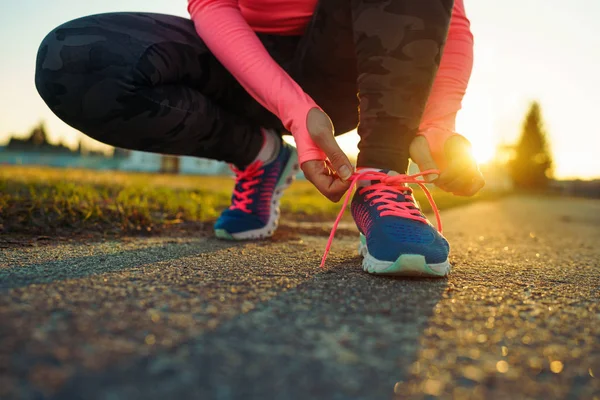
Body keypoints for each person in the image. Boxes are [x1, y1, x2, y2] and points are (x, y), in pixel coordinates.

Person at [35, 0, 484, 278]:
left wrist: (437, 126)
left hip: (346, 74)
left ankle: (381, 178)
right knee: (74, 60)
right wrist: (293, 110)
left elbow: (452, 20)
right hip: (241, 59)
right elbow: (211, 4)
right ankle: (260, 155)